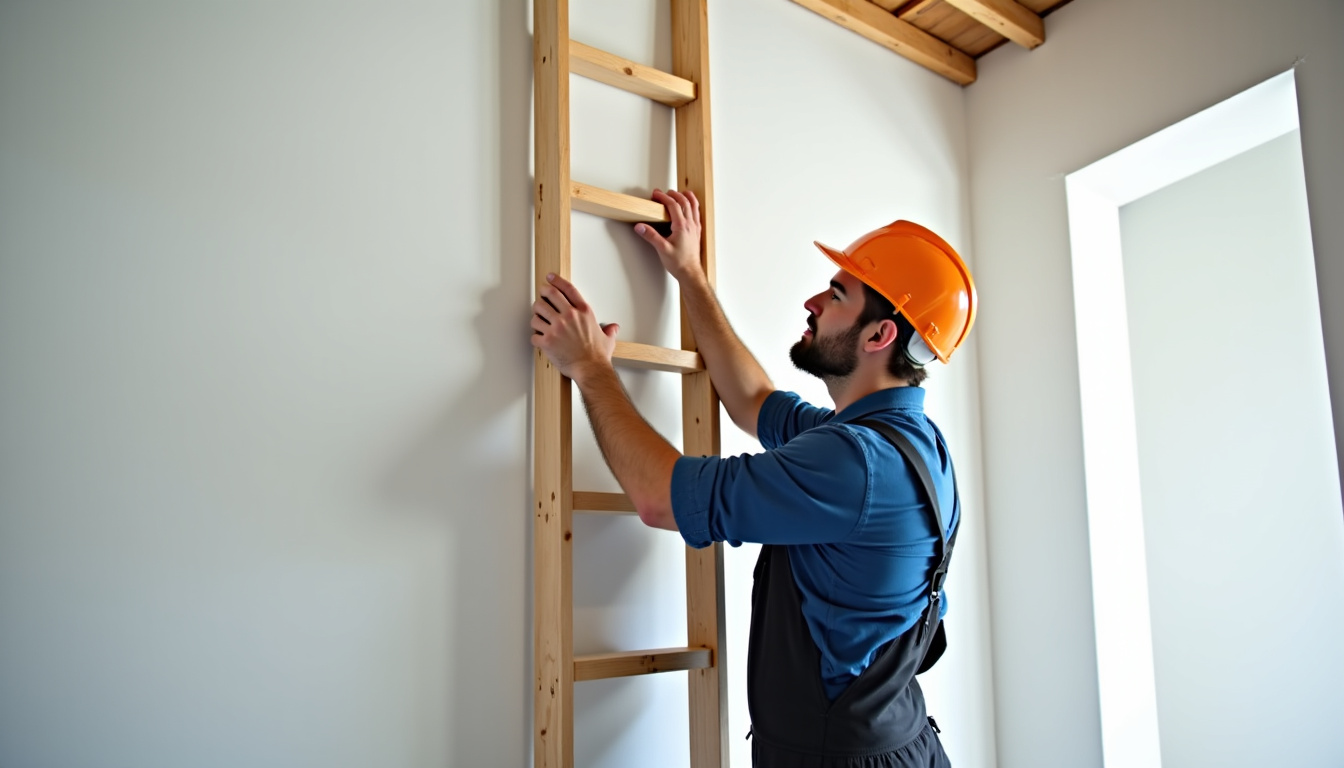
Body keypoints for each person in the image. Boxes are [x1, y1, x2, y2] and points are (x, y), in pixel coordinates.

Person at [530, 188, 976, 767]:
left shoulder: (854, 464)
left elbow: (660, 498)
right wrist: (690, 275)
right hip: (894, 740)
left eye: (837, 295)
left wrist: (592, 368)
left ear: (878, 336)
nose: (814, 302)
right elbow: (755, 401)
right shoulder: (904, 442)